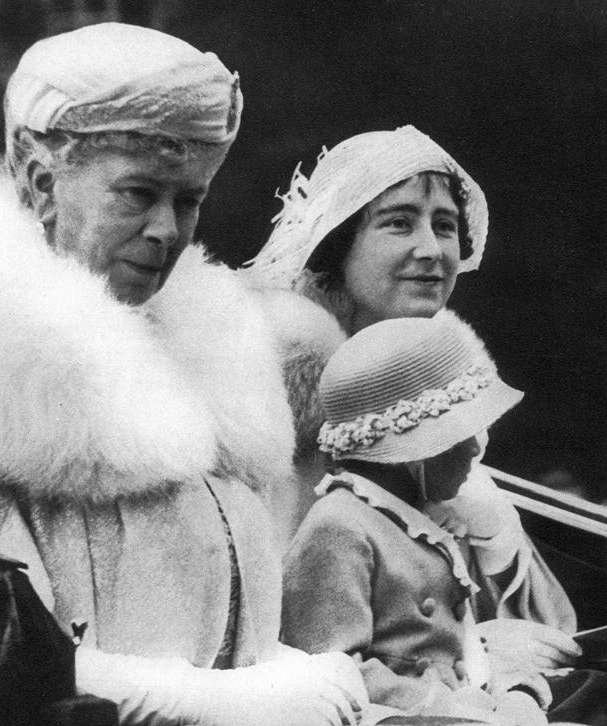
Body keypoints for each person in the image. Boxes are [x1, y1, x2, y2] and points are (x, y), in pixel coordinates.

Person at [0, 22, 365, 726]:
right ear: (43, 182)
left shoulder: (207, 370)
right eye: (137, 193)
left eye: (189, 200)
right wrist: (205, 700)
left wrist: (273, 665)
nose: (169, 229)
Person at [242, 128, 578, 672]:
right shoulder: (267, 402)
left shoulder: (438, 387)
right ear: (337, 241)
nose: (432, 250)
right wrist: (470, 653)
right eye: (399, 222)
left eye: (445, 226)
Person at [281, 314, 558, 726]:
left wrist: (510, 690)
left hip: (466, 710)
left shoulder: (429, 518)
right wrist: (443, 706)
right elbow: (331, 671)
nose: (474, 450)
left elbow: (458, 643)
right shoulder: (340, 527)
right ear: (413, 454)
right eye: (459, 436)